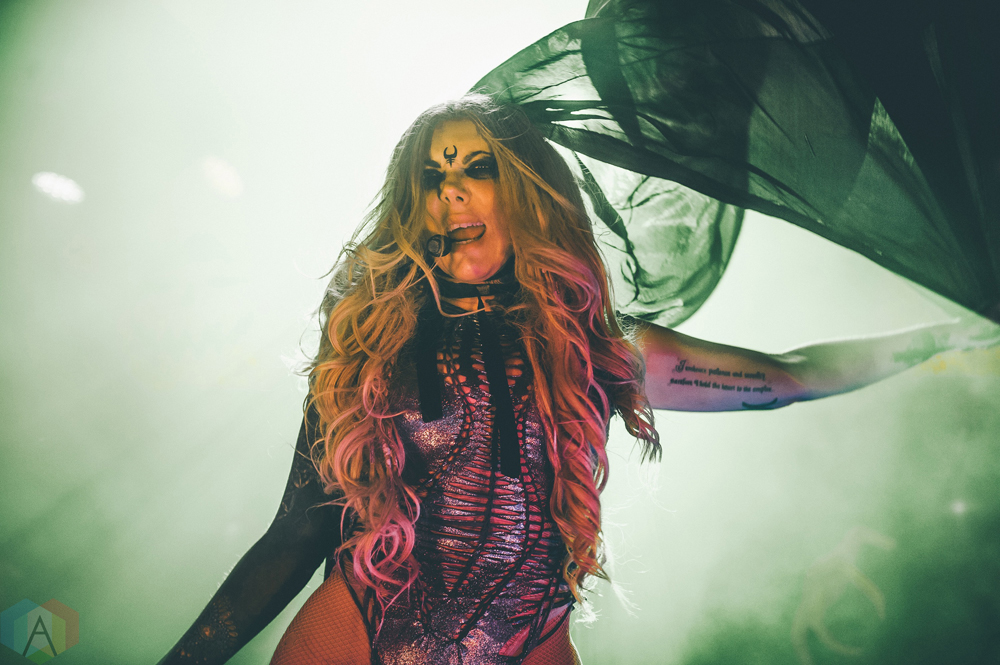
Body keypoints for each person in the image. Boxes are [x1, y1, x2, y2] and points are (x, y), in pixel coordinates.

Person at [156, 95, 996, 665]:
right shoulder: (372, 340)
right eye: (431, 178)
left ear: (523, 189)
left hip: (531, 642)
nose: (451, 193)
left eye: (475, 169)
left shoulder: (597, 350)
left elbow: (790, 376)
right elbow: (294, 534)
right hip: (357, 635)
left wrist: (942, 336)